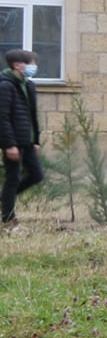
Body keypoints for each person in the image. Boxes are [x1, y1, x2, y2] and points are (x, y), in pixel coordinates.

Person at [1, 49, 43, 226]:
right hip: (14, 142)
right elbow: (2, 117)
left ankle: (4, 200)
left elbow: (32, 116)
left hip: (27, 141)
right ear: (17, 65)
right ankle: (9, 219)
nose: (34, 67)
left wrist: (36, 141)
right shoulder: (5, 86)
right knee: (13, 178)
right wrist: (9, 144)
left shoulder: (28, 85)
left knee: (36, 175)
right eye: (31, 63)